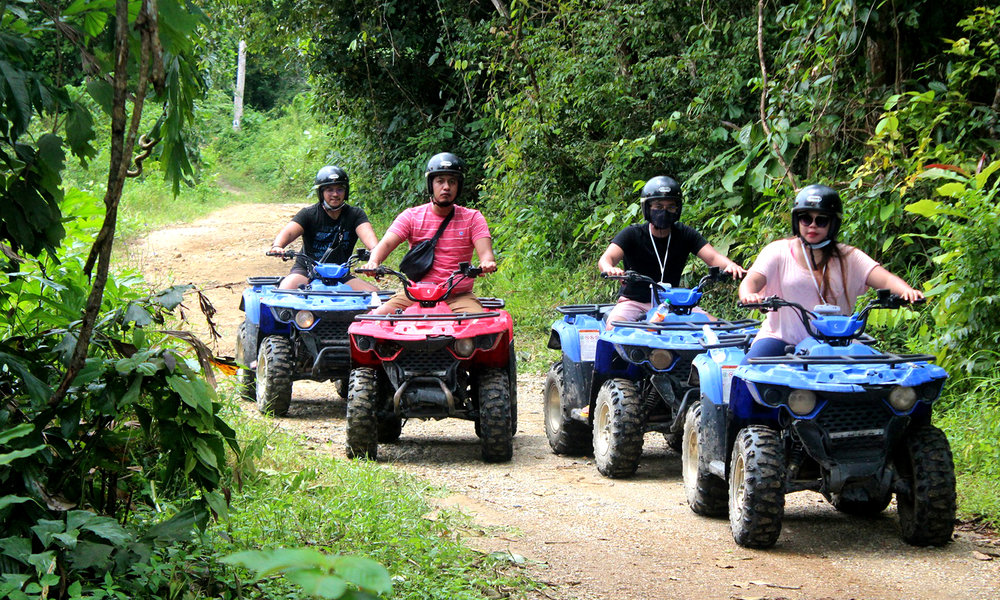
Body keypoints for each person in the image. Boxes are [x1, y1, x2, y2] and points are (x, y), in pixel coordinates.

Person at [738, 183, 925, 361]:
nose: (812, 225)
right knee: (747, 373)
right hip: (780, 339)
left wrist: (906, 291)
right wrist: (749, 296)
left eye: (821, 220)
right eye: (806, 218)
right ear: (797, 221)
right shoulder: (777, 251)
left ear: (832, 224)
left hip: (838, 343)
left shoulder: (850, 257)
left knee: (885, 378)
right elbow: (751, 281)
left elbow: (885, 280)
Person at [598, 175, 747, 327]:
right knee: (614, 327)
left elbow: (714, 257)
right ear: (647, 208)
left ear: (678, 209)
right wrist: (610, 269)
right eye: (658, 207)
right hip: (635, 302)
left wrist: (731, 266)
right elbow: (606, 258)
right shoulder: (632, 234)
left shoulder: (685, 234)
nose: (664, 211)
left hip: (674, 303)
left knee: (719, 327)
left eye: (671, 207)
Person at [362, 152, 497, 314]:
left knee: (475, 329)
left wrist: (486, 264)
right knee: (376, 322)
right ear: (430, 184)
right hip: (414, 293)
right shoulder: (411, 216)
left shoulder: (473, 218)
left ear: (458, 186)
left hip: (458, 296)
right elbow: (386, 244)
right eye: (440, 181)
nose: (446, 187)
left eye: (452, 182)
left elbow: (486, 255)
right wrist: (373, 262)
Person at [270, 165, 379, 291]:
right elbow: (288, 232)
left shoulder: (355, 214)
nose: (335, 194)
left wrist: (374, 257)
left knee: (374, 295)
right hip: (306, 270)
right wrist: (278, 246)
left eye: (340, 189)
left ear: (346, 192)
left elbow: (370, 239)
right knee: (286, 289)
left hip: (340, 273)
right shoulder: (308, 214)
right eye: (329, 190)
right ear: (321, 193)